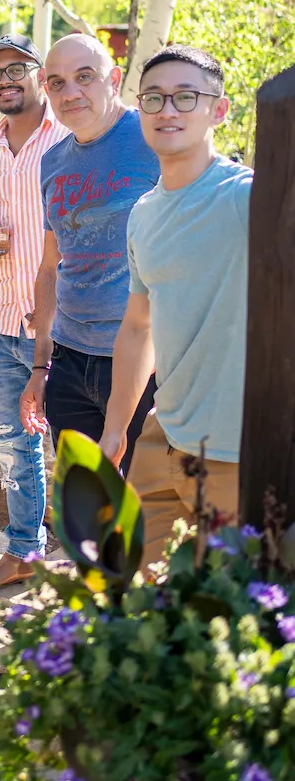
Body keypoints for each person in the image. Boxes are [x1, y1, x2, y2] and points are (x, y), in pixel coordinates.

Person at [99, 45, 251, 569]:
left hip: (234, 450)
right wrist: (117, 429)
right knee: (131, 595)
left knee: (223, 620)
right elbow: (139, 327)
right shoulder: (143, 214)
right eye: (154, 98)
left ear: (219, 110)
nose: (168, 110)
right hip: (163, 435)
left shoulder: (248, 197)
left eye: (186, 97)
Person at [0, 35, 68, 593]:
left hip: (64, 325)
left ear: (40, 75)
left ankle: (96, 560)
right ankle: (25, 549)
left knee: (78, 446)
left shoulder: (71, 140)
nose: (4, 79)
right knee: (11, 444)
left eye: (16, 68)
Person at [20, 34, 160, 469]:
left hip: (148, 362)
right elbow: (49, 267)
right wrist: (41, 368)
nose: (71, 92)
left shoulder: (154, 138)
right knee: (88, 507)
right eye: (57, 83)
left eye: (85, 77)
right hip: (70, 363)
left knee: (148, 509)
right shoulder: (52, 162)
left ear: (114, 79)